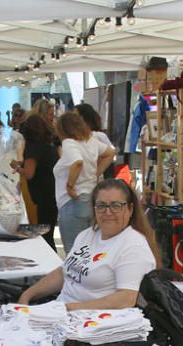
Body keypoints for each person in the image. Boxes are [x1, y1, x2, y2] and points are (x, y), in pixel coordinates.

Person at [18, 179, 159, 309]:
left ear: (130, 209)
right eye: (101, 205)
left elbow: (126, 299)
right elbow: (65, 273)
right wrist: (27, 295)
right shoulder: (87, 235)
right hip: (60, 313)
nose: (107, 212)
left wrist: (68, 309)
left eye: (116, 206)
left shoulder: (133, 246)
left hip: (92, 326)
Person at [53, 111, 115, 254]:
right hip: (90, 200)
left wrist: (69, 185)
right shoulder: (91, 142)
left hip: (72, 201)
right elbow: (110, 153)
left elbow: (77, 162)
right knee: (89, 252)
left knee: (74, 253)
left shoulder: (69, 143)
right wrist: (95, 173)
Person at [16, 112, 60, 249]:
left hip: (41, 197)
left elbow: (29, 173)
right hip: (52, 193)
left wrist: (17, 167)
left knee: (42, 237)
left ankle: (50, 266)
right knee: (48, 235)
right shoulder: (50, 146)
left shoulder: (33, 148)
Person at [75, 103, 116, 178]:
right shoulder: (75, 138)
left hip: (97, 180)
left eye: (75, 116)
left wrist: (96, 173)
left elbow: (112, 156)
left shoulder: (98, 136)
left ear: (83, 118)